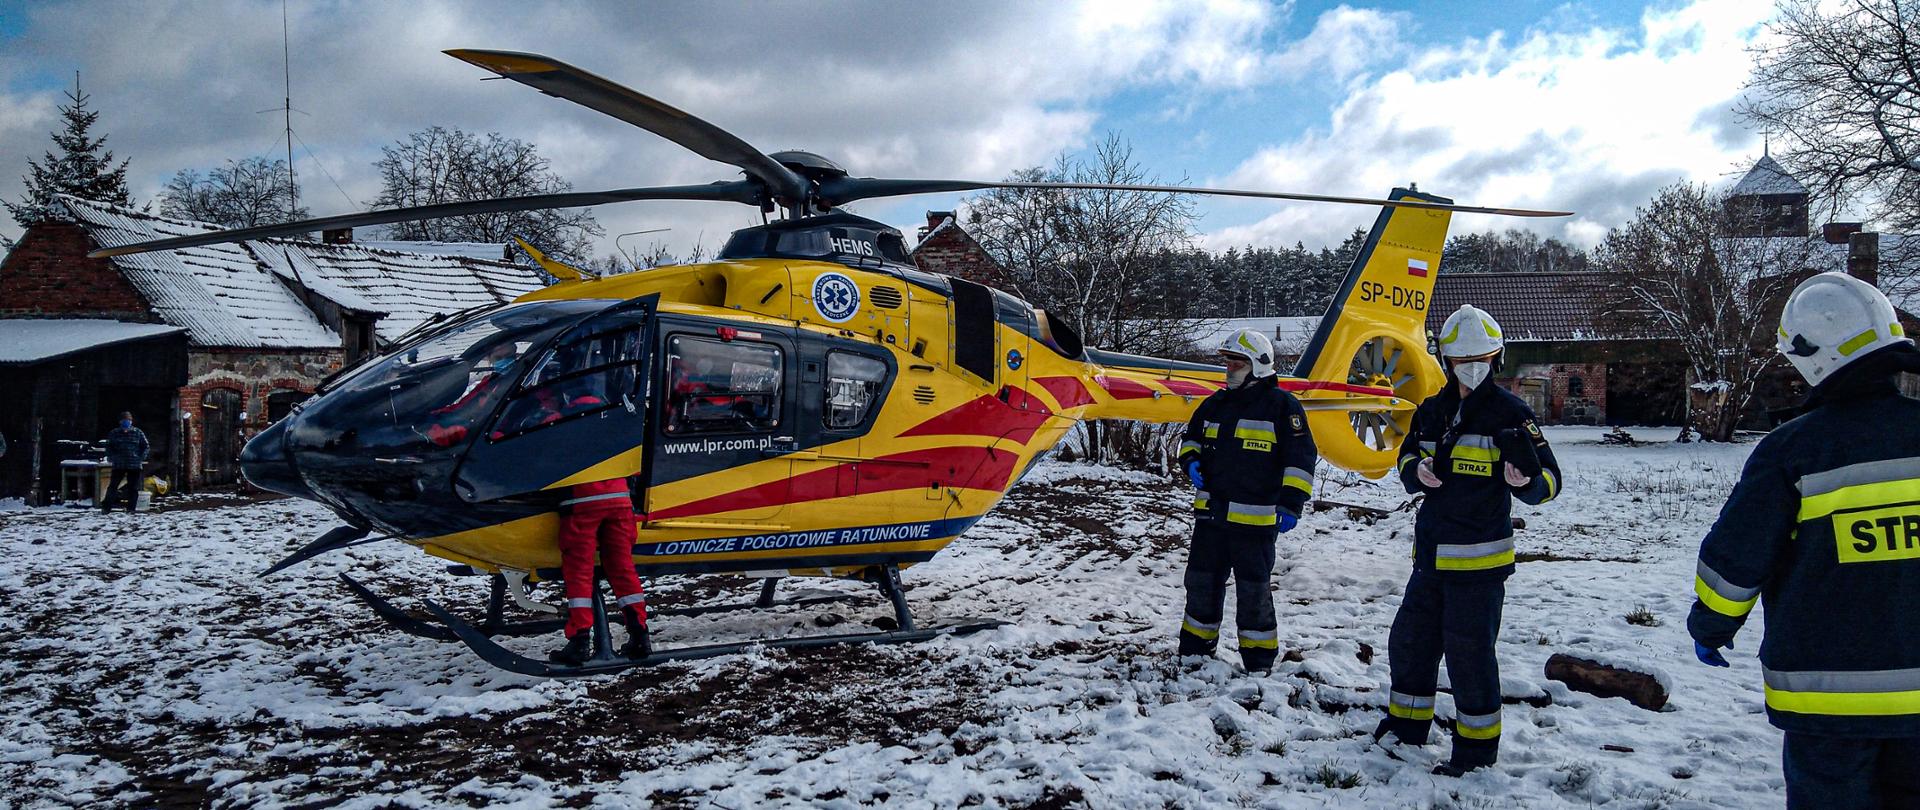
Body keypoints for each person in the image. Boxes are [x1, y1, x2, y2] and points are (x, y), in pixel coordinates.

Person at [1688, 272, 1920, 809]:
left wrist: (1712, 624)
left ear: (1811, 355)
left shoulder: (1792, 450)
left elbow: (1736, 561)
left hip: (1832, 701)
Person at [1373, 304, 1562, 777]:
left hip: (1479, 568)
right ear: (1447, 360)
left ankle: (1475, 753)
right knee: (1410, 645)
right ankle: (1406, 727)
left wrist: (1526, 484)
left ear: (1497, 359)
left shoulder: (1512, 414)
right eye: (1464, 360)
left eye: (1483, 358)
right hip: (1431, 562)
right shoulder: (1432, 411)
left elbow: (1551, 480)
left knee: (1470, 658)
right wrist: (1414, 470)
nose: (1474, 368)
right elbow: (1407, 454)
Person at [1175, 328, 1317, 673]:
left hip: (1254, 524)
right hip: (1210, 519)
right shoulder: (1214, 404)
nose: (1229, 369)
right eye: (1227, 362)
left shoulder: (1283, 408)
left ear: (1258, 365)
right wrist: (1190, 461)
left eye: (1236, 362)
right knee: (1200, 582)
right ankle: (1196, 651)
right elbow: (1190, 439)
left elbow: (1300, 459)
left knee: (1254, 593)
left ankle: (1258, 660)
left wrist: (1291, 503)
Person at [100, 412, 149, 513]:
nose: (126, 423)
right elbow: (109, 447)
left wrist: (141, 458)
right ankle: (106, 508)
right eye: (124, 421)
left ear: (131, 422)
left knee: (133, 488)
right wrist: (112, 457)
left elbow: (145, 446)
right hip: (119, 464)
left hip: (134, 464)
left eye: (128, 421)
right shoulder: (114, 433)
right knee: (113, 486)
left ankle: (131, 508)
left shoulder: (138, 432)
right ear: (120, 422)